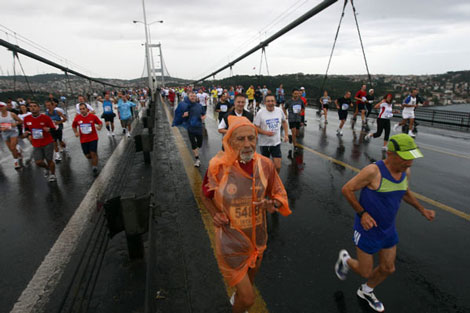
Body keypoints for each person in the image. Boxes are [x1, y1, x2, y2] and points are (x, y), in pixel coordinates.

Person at [335, 134, 435, 312]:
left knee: (388, 268)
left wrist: (422, 209)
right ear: (391, 154)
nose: (410, 162)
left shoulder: (406, 171)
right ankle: (346, 260)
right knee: (365, 271)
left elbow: (404, 191)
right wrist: (363, 213)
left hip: (388, 229)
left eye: (412, 157)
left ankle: (366, 291)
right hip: (367, 230)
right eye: (406, 157)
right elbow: (347, 189)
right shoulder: (373, 171)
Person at [201, 115, 291, 313]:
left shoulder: (266, 165)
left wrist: (272, 203)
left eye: (251, 138)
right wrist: (215, 213)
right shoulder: (218, 167)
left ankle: (238, 298)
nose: (247, 144)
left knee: (249, 282)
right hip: (230, 242)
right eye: (240, 139)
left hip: (257, 240)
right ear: (230, 141)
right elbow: (205, 195)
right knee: (249, 299)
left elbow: (278, 194)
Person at [254, 95, 289, 173]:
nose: (270, 103)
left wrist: (286, 134)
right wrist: (265, 132)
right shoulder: (260, 113)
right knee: (265, 167)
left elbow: (284, 122)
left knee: (278, 166)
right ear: (265, 103)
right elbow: (255, 127)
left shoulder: (279, 111)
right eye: (268, 101)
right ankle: (266, 182)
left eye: (272, 101)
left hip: (275, 143)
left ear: (275, 102)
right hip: (264, 143)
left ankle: (274, 182)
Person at [23, 102, 57, 182]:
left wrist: (49, 129)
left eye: (34, 106)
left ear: (39, 108)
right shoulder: (26, 119)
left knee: (49, 160)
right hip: (36, 143)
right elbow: (27, 129)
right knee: (38, 162)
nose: (32, 108)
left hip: (47, 142)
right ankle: (47, 168)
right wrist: (27, 134)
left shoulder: (46, 118)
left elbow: (53, 129)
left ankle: (52, 174)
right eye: (31, 106)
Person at [173, 91, 206, 167]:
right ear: (188, 97)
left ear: (196, 97)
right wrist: (183, 115)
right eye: (191, 96)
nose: (193, 97)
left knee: (199, 144)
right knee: (193, 144)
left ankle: (197, 150)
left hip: (199, 128)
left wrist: (203, 117)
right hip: (190, 128)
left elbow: (203, 114)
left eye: (194, 96)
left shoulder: (200, 106)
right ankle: (197, 159)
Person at [72, 103, 103, 175]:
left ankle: (94, 167)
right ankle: (94, 157)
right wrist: (76, 132)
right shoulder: (77, 118)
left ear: (87, 109)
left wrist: (99, 127)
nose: (82, 110)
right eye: (80, 109)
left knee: (93, 153)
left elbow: (100, 123)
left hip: (93, 138)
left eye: (83, 109)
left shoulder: (92, 116)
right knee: (88, 156)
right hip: (83, 140)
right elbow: (74, 126)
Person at [0, 101, 23, 169]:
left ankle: (16, 162)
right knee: (11, 149)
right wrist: (1, 128)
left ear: (5, 107)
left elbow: (20, 121)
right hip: (4, 133)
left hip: (13, 132)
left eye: (1, 107)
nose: (0, 108)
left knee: (12, 148)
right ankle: (18, 150)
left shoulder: (12, 114)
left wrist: (14, 124)